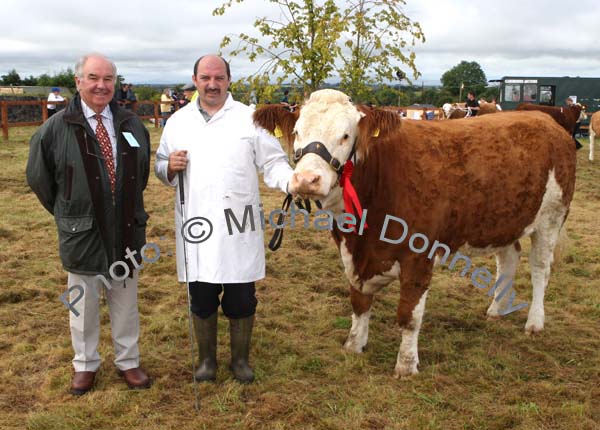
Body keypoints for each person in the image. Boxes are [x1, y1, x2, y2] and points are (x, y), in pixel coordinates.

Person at [155, 54, 297, 384]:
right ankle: (206, 362)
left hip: (238, 225)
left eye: (219, 78)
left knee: (241, 296)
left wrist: (292, 181)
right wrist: (168, 167)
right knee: (201, 296)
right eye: (206, 78)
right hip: (198, 224)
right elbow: (161, 166)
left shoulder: (250, 119)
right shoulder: (178, 121)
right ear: (195, 80)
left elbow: (274, 163)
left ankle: (240, 361)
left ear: (229, 80)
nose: (212, 84)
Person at [26, 53, 152, 395]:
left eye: (108, 79)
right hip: (81, 234)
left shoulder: (131, 124)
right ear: (78, 81)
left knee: (125, 303)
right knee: (82, 304)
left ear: (115, 83)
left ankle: (129, 361)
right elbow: (39, 179)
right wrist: (69, 212)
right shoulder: (54, 129)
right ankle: (85, 364)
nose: (101, 85)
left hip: (126, 228)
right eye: (93, 78)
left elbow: (140, 172)